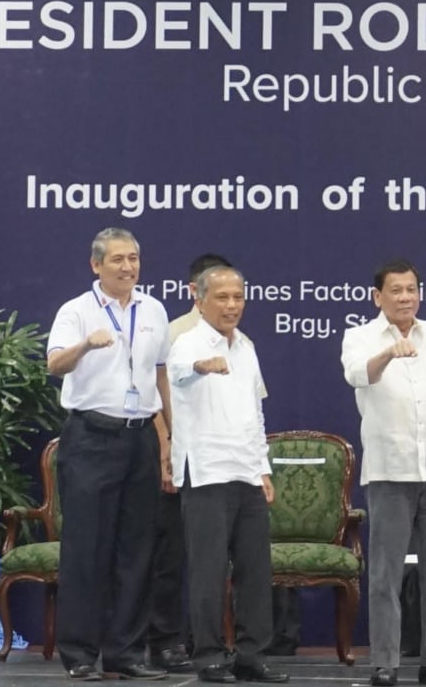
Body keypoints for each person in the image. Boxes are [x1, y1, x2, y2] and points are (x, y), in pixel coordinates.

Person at [46, 227, 171, 681]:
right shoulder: (75, 311)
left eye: (134, 258)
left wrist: (169, 439)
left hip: (141, 437)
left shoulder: (153, 309)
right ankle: (80, 654)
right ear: (96, 265)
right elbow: (54, 364)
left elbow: (161, 377)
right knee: (86, 549)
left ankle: (126, 653)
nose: (128, 267)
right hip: (91, 438)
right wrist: (85, 345)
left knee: (136, 549)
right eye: (118, 259)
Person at [341, 259, 426, 687]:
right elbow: (357, 374)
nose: (405, 297)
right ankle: (385, 663)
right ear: (378, 297)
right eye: (396, 290)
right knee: (385, 573)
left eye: (412, 289)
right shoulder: (360, 337)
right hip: (389, 472)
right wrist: (388, 352)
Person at [168, 265, 288, 684]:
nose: (232, 305)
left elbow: (255, 412)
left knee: (256, 570)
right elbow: (180, 372)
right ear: (200, 300)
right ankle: (209, 657)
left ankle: (252, 655)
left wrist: (263, 467)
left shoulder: (247, 348)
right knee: (209, 570)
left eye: (238, 297)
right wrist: (202, 365)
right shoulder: (187, 342)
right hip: (205, 472)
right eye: (222, 297)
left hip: (246, 471)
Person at [148, 253, 233, 673]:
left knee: (209, 558)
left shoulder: (236, 339)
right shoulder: (175, 335)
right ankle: (164, 640)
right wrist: (166, 447)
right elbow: (152, 397)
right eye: (215, 291)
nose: (227, 302)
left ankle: (208, 642)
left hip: (220, 466)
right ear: (194, 292)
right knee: (170, 556)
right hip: (180, 458)